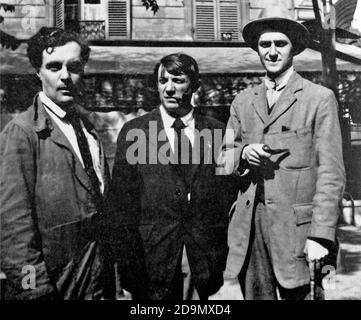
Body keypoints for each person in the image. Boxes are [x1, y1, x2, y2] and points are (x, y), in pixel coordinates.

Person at [216, 7, 346, 300]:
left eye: (280, 44)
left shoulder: (319, 99)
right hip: (252, 227)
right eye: (265, 45)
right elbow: (222, 160)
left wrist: (321, 233)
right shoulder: (242, 102)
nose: (272, 52)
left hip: (299, 230)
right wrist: (243, 153)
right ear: (257, 49)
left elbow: (331, 172)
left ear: (294, 48)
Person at [108, 53, 234, 300]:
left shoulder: (219, 133)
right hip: (149, 261)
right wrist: (126, 267)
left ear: (195, 85)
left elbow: (226, 200)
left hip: (200, 263)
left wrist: (217, 255)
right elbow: (121, 205)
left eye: (177, 80)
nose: (168, 88)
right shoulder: (135, 132)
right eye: (162, 81)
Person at [0, 27, 114, 300]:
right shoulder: (22, 132)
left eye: (74, 67)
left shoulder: (87, 128)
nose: (65, 76)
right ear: (37, 72)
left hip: (94, 282)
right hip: (53, 288)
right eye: (54, 66)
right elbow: (13, 233)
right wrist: (34, 291)